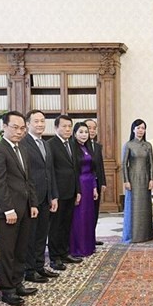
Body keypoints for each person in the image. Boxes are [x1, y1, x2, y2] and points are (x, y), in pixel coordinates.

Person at [0, 111, 39, 306]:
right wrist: (9, 209)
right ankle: (7, 290)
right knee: (8, 252)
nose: (19, 132)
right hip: (7, 212)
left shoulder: (22, 149)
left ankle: (17, 283)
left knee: (20, 249)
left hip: (25, 208)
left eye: (22, 128)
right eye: (15, 127)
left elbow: (28, 180)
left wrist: (33, 203)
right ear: (4, 127)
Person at [22, 110, 59, 283]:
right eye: (36, 121)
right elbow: (25, 175)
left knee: (42, 235)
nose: (40, 124)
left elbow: (49, 172)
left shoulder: (45, 144)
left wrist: (53, 196)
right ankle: (29, 271)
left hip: (46, 197)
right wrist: (31, 200)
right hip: (32, 198)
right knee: (31, 236)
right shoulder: (23, 143)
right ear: (28, 124)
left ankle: (39, 266)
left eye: (42, 121)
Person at [47, 115, 82, 270]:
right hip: (58, 193)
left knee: (67, 224)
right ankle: (54, 258)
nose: (68, 129)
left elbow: (76, 170)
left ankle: (64, 253)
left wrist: (78, 191)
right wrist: (53, 194)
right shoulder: (50, 145)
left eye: (70, 126)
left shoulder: (72, 145)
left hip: (71, 192)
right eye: (64, 126)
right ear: (56, 128)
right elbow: (50, 172)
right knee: (56, 226)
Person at [122, 119, 153, 243]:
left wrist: (152, 179)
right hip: (132, 179)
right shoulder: (128, 145)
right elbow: (124, 164)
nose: (141, 130)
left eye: (143, 128)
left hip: (145, 178)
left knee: (145, 207)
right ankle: (132, 235)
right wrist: (126, 180)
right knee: (133, 206)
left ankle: (146, 235)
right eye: (138, 128)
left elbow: (151, 164)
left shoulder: (148, 145)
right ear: (133, 129)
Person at [69, 122, 98, 257]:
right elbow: (74, 171)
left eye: (86, 132)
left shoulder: (87, 148)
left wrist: (94, 188)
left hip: (89, 184)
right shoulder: (73, 148)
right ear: (74, 134)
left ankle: (89, 246)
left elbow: (93, 171)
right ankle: (78, 248)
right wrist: (77, 191)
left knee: (89, 217)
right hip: (79, 184)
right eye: (81, 132)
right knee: (79, 217)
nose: (84, 135)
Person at [84, 119, 107, 246]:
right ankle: (85, 238)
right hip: (86, 183)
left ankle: (92, 237)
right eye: (89, 128)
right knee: (85, 212)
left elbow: (100, 165)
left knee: (95, 211)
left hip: (97, 183)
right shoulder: (80, 145)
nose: (92, 131)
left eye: (94, 128)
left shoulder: (97, 146)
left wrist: (103, 181)